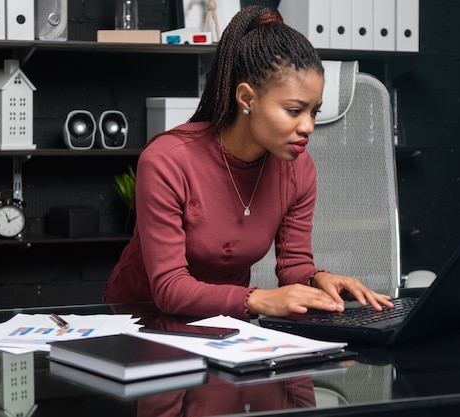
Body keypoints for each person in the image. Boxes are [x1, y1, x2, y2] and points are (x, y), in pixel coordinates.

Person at [104, 5, 394, 320]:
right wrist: (258, 300)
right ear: (247, 99)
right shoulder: (167, 160)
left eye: (314, 111)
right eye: (295, 111)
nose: (308, 126)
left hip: (228, 324)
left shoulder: (298, 168)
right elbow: (170, 288)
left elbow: (293, 267)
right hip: (140, 320)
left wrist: (317, 279)